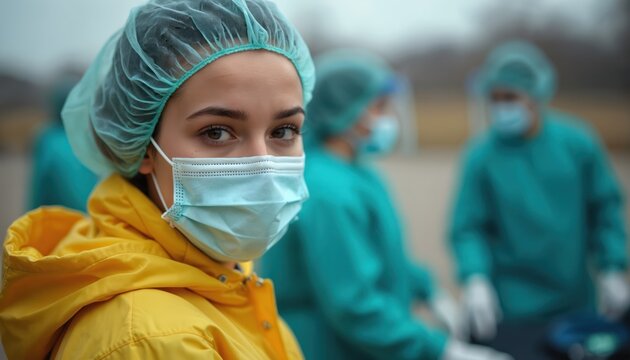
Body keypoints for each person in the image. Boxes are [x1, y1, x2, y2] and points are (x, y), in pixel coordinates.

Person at [0, 0, 315, 359]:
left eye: (285, 129)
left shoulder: (222, 273)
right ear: (145, 147)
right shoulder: (153, 340)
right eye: (216, 132)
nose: (263, 166)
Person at [260, 50, 511, 360]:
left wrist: (426, 287)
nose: (387, 118)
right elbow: (353, 306)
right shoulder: (327, 191)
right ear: (344, 110)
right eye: (378, 107)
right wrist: (439, 348)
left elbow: (380, 254)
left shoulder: (357, 171)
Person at [449, 41, 630, 342]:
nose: (501, 106)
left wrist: (612, 267)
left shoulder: (577, 144)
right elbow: (468, 227)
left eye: (510, 97)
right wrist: (475, 277)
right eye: (494, 98)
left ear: (535, 94)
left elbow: (605, 210)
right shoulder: (480, 157)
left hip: (574, 300)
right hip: (511, 305)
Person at [28, 76, 98, 212]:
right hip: (88, 215)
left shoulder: (47, 138)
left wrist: (30, 213)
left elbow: (39, 184)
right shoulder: (84, 135)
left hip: (54, 217)